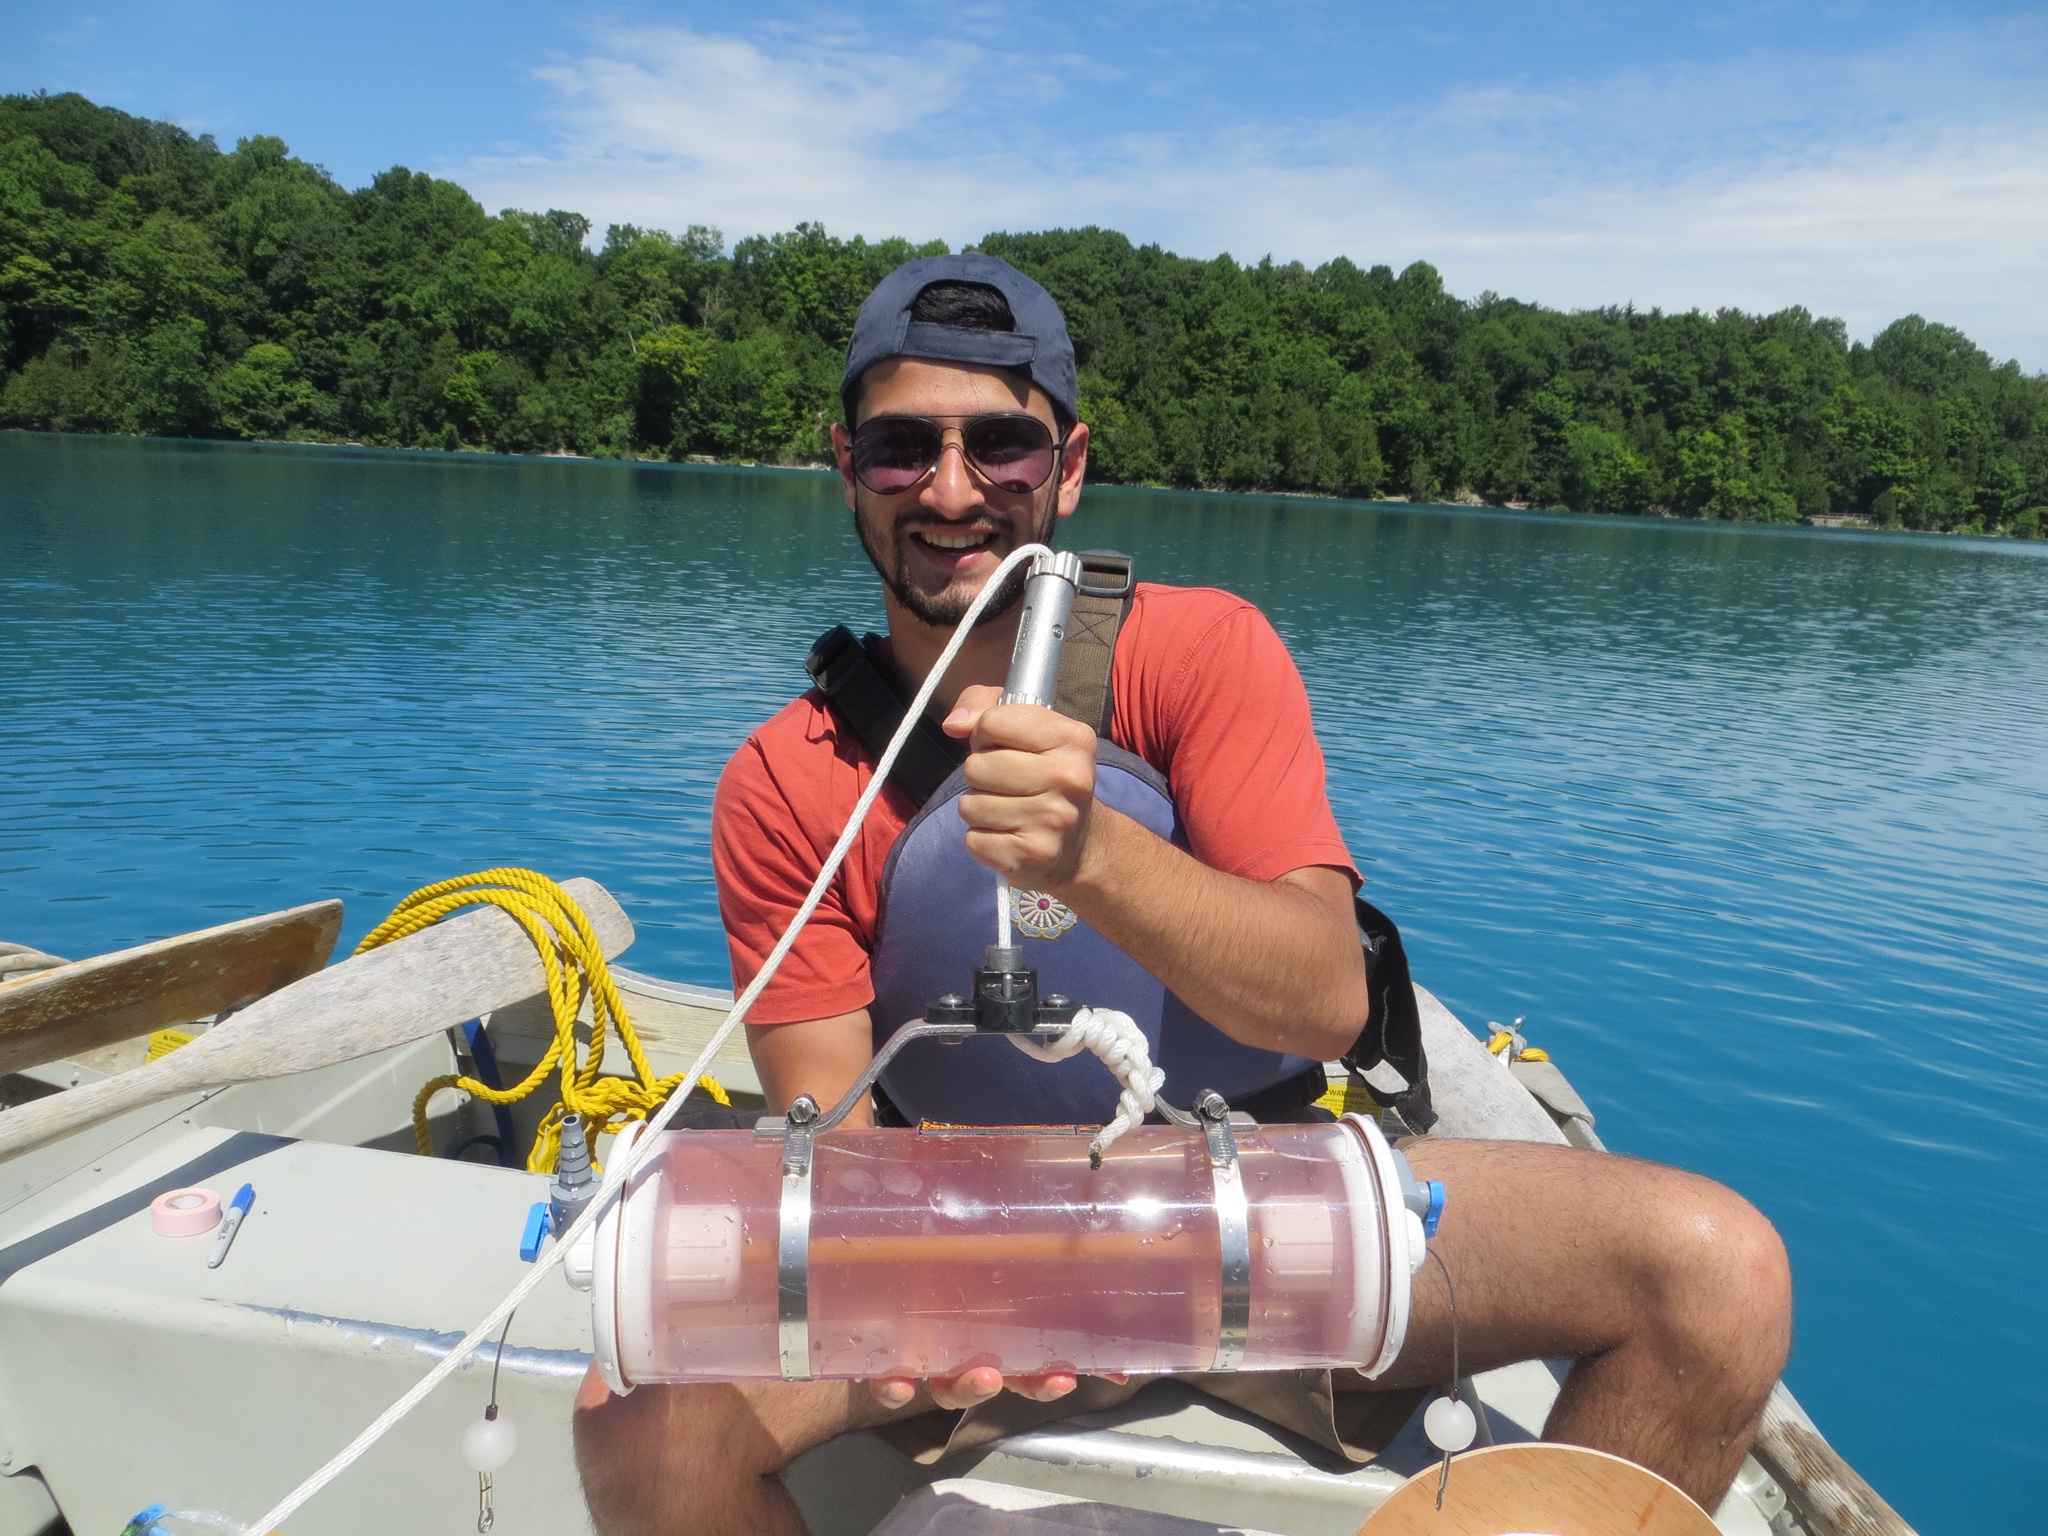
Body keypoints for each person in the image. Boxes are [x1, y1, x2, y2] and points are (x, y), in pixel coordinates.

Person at [573, 254, 1792, 1536]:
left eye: (999, 444)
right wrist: (958, 1295)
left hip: (1267, 1197)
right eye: (898, 447)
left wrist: (1092, 854)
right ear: (845, 462)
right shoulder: (781, 782)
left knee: (1714, 1280)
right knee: (639, 1419)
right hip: (966, 1231)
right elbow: (838, 1131)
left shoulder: (1202, 653)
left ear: (1069, 462)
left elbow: (1324, 996)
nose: (948, 489)